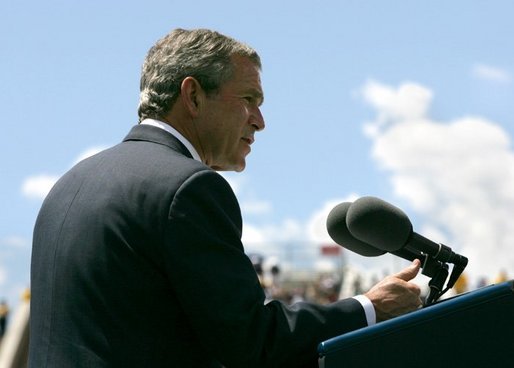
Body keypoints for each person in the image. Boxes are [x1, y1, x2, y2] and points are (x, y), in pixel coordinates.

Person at [29, 28, 422, 367]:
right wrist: (369, 307)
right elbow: (250, 343)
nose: (260, 121)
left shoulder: (67, 186)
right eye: (248, 99)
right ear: (194, 95)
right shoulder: (188, 188)